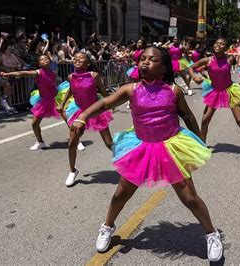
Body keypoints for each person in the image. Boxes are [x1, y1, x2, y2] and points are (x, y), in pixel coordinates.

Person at [70, 46, 223, 262]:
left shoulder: (173, 91)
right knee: (120, 194)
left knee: (189, 198)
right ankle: (107, 226)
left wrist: (200, 143)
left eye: (152, 60)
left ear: (163, 67)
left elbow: (188, 116)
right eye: (142, 59)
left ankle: (211, 234)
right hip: (141, 148)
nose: (144, 62)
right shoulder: (130, 89)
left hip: (171, 148)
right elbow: (105, 102)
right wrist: (83, 115)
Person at [189, 38, 240, 157]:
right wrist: (194, 77)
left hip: (230, 91)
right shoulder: (207, 60)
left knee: (239, 120)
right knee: (205, 120)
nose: (218, 45)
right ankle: (202, 145)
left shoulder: (229, 59)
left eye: (222, 44)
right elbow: (191, 67)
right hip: (214, 91)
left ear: (226, 47)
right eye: (217, 43)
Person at [0, 55, 78, 150]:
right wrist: (7, 75)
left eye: (46, 59)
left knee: (68, 119)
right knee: (34, 123)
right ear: (39, 63)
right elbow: (22, 73)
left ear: (49, 61)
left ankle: (76, 140)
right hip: (44, 101)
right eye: (42, 60)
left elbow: (54, 83)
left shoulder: (52, 72)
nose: (44, 60)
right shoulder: (37, 73)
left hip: (55, 99)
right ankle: (40, 142)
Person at [60, 52, 113, 187]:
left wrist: (112, 104)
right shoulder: (71, 76)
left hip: (95, 110)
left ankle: (127, 163)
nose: (77, 59)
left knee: (108, 143)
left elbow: (103, 91)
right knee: (72, 142)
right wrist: (62, 104)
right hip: (78, 110)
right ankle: (72, 171)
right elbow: (71, 90)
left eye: (81, 57)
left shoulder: (93, 76)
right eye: (75, 57)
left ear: (88, 63)